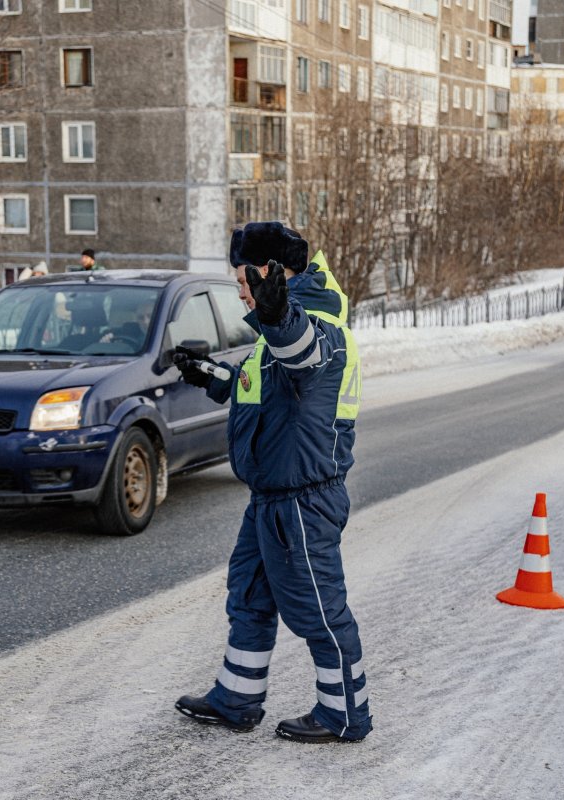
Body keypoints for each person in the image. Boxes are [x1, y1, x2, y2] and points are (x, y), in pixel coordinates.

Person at [172, 221, 370, 744]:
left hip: (304, 502)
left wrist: (277, 313)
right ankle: (236, 699)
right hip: (270, 501)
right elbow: (258, 389)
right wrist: (208, 375)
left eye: (242, 281)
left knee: (319, 610)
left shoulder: (320, 329)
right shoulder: (272, 336)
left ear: (267, 274)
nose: (239, 292)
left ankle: (344, 713)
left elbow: (301, 353)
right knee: (251, 597)